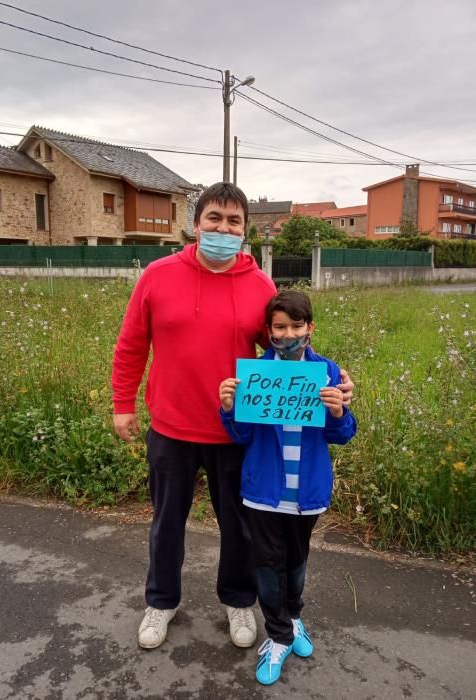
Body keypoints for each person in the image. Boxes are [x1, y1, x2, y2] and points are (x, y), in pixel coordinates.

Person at [111, 182, 354, 651]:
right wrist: (124, 404)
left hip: (236, 432)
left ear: (245, 230)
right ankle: (161, 602)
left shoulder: (259, 284)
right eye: (215, 219)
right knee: (166, 523)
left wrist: (332, 376)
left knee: (241, 528)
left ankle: (238, 600)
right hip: (171, 427)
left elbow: (284, 348)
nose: (224, 228)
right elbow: (131, 345)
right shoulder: (157, 276)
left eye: (234, 221)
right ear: (196, 223)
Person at [219, 289, 357, 685]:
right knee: (266, 566)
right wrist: (228, 408)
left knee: (296, 564)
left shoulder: (329, 372)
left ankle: (294, 618)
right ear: (269, 331)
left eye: (297, 325)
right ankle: (277, 636)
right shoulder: (255, 375)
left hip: (307, 494)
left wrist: (337, 411)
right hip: (264, 493)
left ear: (310, 328)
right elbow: (242, 435)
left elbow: (343, 434)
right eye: (280, 327)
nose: (289, 333)